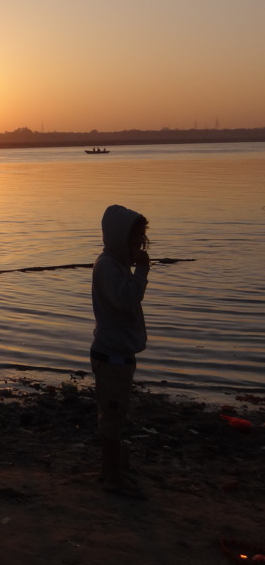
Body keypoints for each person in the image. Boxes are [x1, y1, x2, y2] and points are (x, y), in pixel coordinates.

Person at [90, 204, 151, 498]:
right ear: (118, 237)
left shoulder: (116, 264)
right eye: (134, 238)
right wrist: (143, 270)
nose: (139, 244)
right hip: (112, 356)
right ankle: (112, 477)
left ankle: (112, 468)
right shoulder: (107, 266)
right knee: (112, 416)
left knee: (116, 413)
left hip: (119, 354)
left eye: (141, 238)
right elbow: (125, 300)